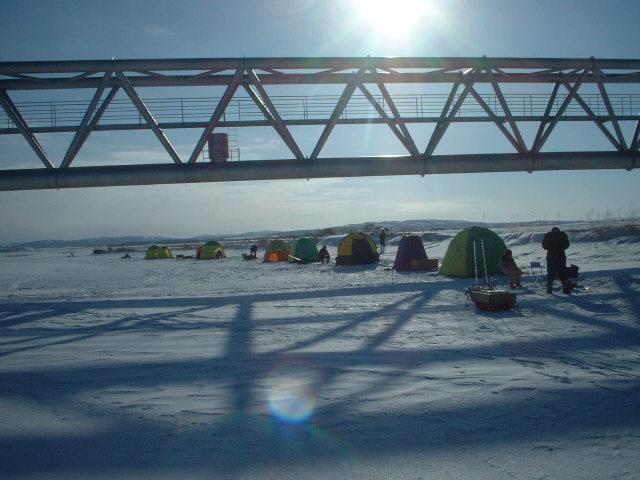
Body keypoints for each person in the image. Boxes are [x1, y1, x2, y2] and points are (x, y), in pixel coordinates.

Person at [542, 226, 571, 294]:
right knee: (563, 273)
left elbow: (544, 246)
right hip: (561, 256)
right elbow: (566, 245)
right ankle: (565, 288)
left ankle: (549, 288)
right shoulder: (562, 235)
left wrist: (551, 246)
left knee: (550, 273)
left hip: (551, 256)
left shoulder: (548, 236)